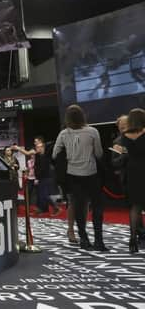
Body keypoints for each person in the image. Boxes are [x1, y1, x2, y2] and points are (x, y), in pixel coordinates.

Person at [53, 105, 106, 251]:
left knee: (78, 207)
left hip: (73, 175)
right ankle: (99, 241)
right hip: (92, 174)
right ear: (83, 116)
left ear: (67, 118)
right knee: (96, 207)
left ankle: (83, 239)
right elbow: (99, 153)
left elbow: (55, 154)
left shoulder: (64, 134)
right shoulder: (92, 131)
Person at [119, 108, 145, 252]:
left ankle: (132, 239)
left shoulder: (125, 135)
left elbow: (124, 153)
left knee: (135, 206)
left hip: (132, 172)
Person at [14, 137, 61, 216]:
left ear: (42, 145)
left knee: (44, 195)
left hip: (46, 177)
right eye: (35, 145)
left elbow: (28, 153)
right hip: (41, 177)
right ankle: (42, 209)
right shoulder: (37, 154)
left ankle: (56, 208)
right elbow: (28, 154)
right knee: (41, 195)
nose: (36, 146)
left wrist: (18, 148)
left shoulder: (46, 153)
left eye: (37, 144)